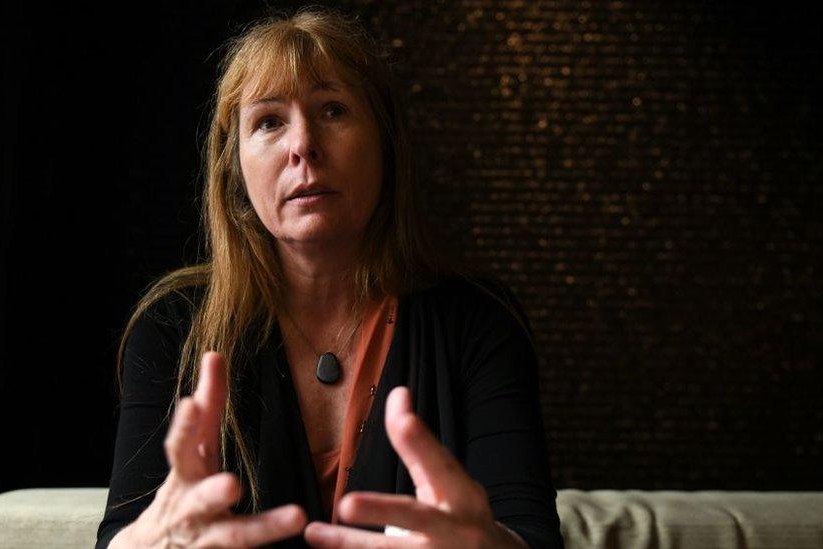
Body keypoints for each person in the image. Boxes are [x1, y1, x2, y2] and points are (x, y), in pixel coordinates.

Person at [97, 7, 563, 548]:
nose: (303, 146)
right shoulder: (172, 328)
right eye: (269, 121)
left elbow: (531, 534)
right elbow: (121, 537)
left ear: (386, 144)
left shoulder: (480, 322)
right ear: (235, 167)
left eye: (334, 110)